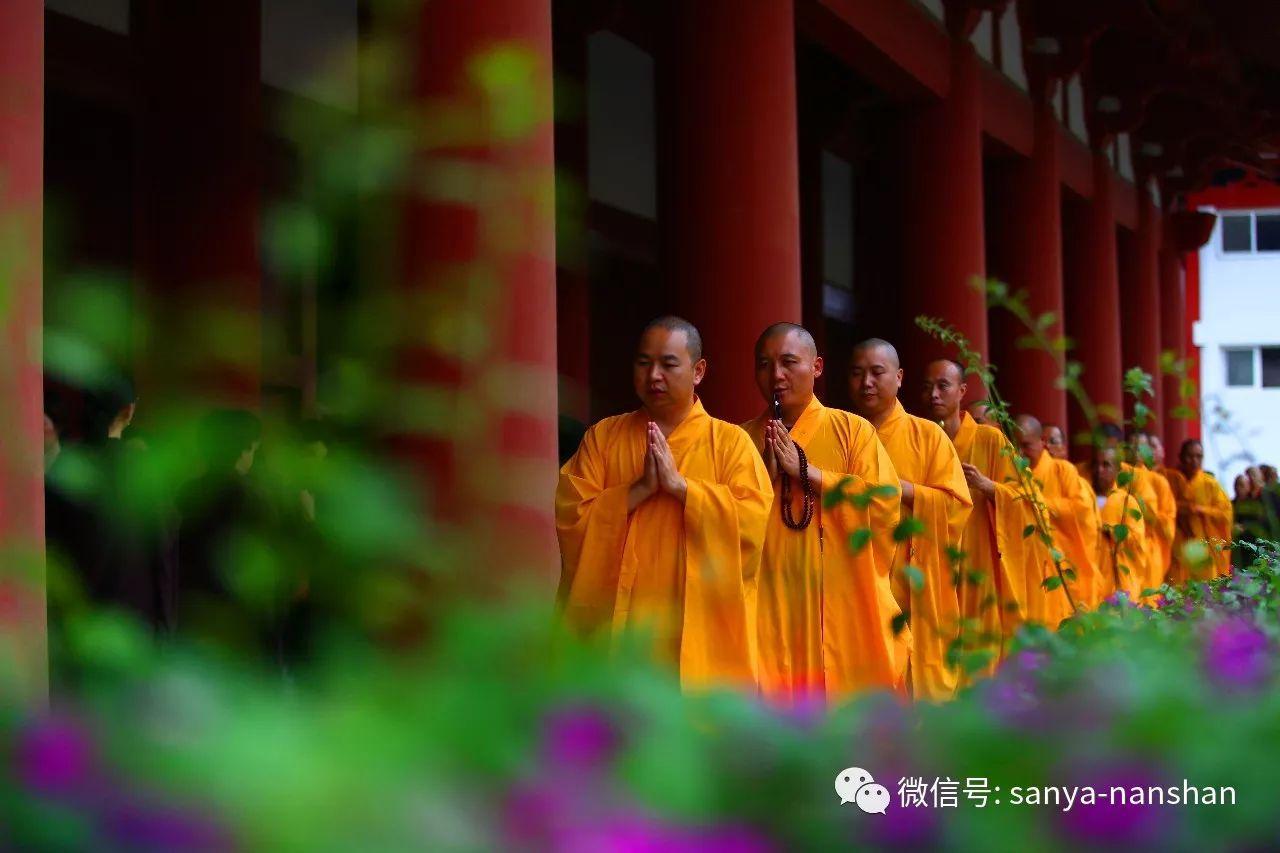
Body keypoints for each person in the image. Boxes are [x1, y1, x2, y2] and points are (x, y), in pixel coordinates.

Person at [556, 317, 772, 690]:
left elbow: (753, 522)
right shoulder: (604, 438)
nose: (654, 375)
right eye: (644, 363)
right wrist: (636, 491)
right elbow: (572, 513)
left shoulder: (730, 443)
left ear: (698, 370)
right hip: (619, 623)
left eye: (668, 364)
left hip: (696, 628)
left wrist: (683, 489)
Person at [741, 323, 906, 704]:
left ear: (816, 367)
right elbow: (726, 521)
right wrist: (763, 480)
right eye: (764, 364)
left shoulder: (853, 430)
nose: (776, 375)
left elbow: (883, 502)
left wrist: (809, 474)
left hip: (837, 601)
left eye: (788, 363)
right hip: (768, 597)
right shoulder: (742, 438)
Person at [849, 339, 971, 702]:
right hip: (857, 584)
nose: (866, 382)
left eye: (877, 373)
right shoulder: (843, 432)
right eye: (857, 373)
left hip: (911, 587)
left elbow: (956, 506)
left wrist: (902, 490)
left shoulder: (927, 435)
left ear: (899, 378)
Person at [922, 360, 1038, 676]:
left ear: (961, 391)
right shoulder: (922, 438)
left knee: (978, 650)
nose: (933, 394)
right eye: (927, 386)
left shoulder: (990, 440)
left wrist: (989, 487)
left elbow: (1028, 499)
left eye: (942, 386)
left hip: (979, 561)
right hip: (936, 561)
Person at [45, 377, 175, 632]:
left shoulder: (62, 473)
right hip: (134, 620)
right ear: (127, 412)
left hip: (76, 625)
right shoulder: (144, 474)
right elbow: (163, 560)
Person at [1014, 415, 1101, 615]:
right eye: (1016, 446)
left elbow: (1081, 508)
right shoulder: (1014, 472)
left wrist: (1036, 503)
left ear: (1041, 442)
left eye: (1026, 445)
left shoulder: (1063, 470)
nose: (1020, 452)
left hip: (1062, 561)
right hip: (1028, 562)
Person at [1169, 440, 1233, 582]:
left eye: (1199, 456)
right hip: (1177, 546)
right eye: (1190, 456)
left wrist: (1200, 510)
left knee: (1204, 592)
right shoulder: (1170, 480)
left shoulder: (1210, 483)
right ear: (1180, 457)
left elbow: (1225, 514)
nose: (1194, 461)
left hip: (1204, 547)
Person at [1092, 445, 1147, 602]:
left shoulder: (1126, 501)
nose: (1099, 470)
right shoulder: (1084, 498)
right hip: (1092, 577)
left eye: (1106, 465)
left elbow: (1138, 541)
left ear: (1117, 471)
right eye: (1096, 465)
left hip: (1119, 580)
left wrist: (1113, 532)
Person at [1134, 431, 1177, 594]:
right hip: (1126, 547)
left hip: (1150, 547)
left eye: (1141, 448)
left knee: (1148, 598)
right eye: (1132, 446)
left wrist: (1147, 513)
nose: (1136, 451)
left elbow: (1168, 519)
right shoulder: (1121, 475)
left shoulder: (1158, 481)